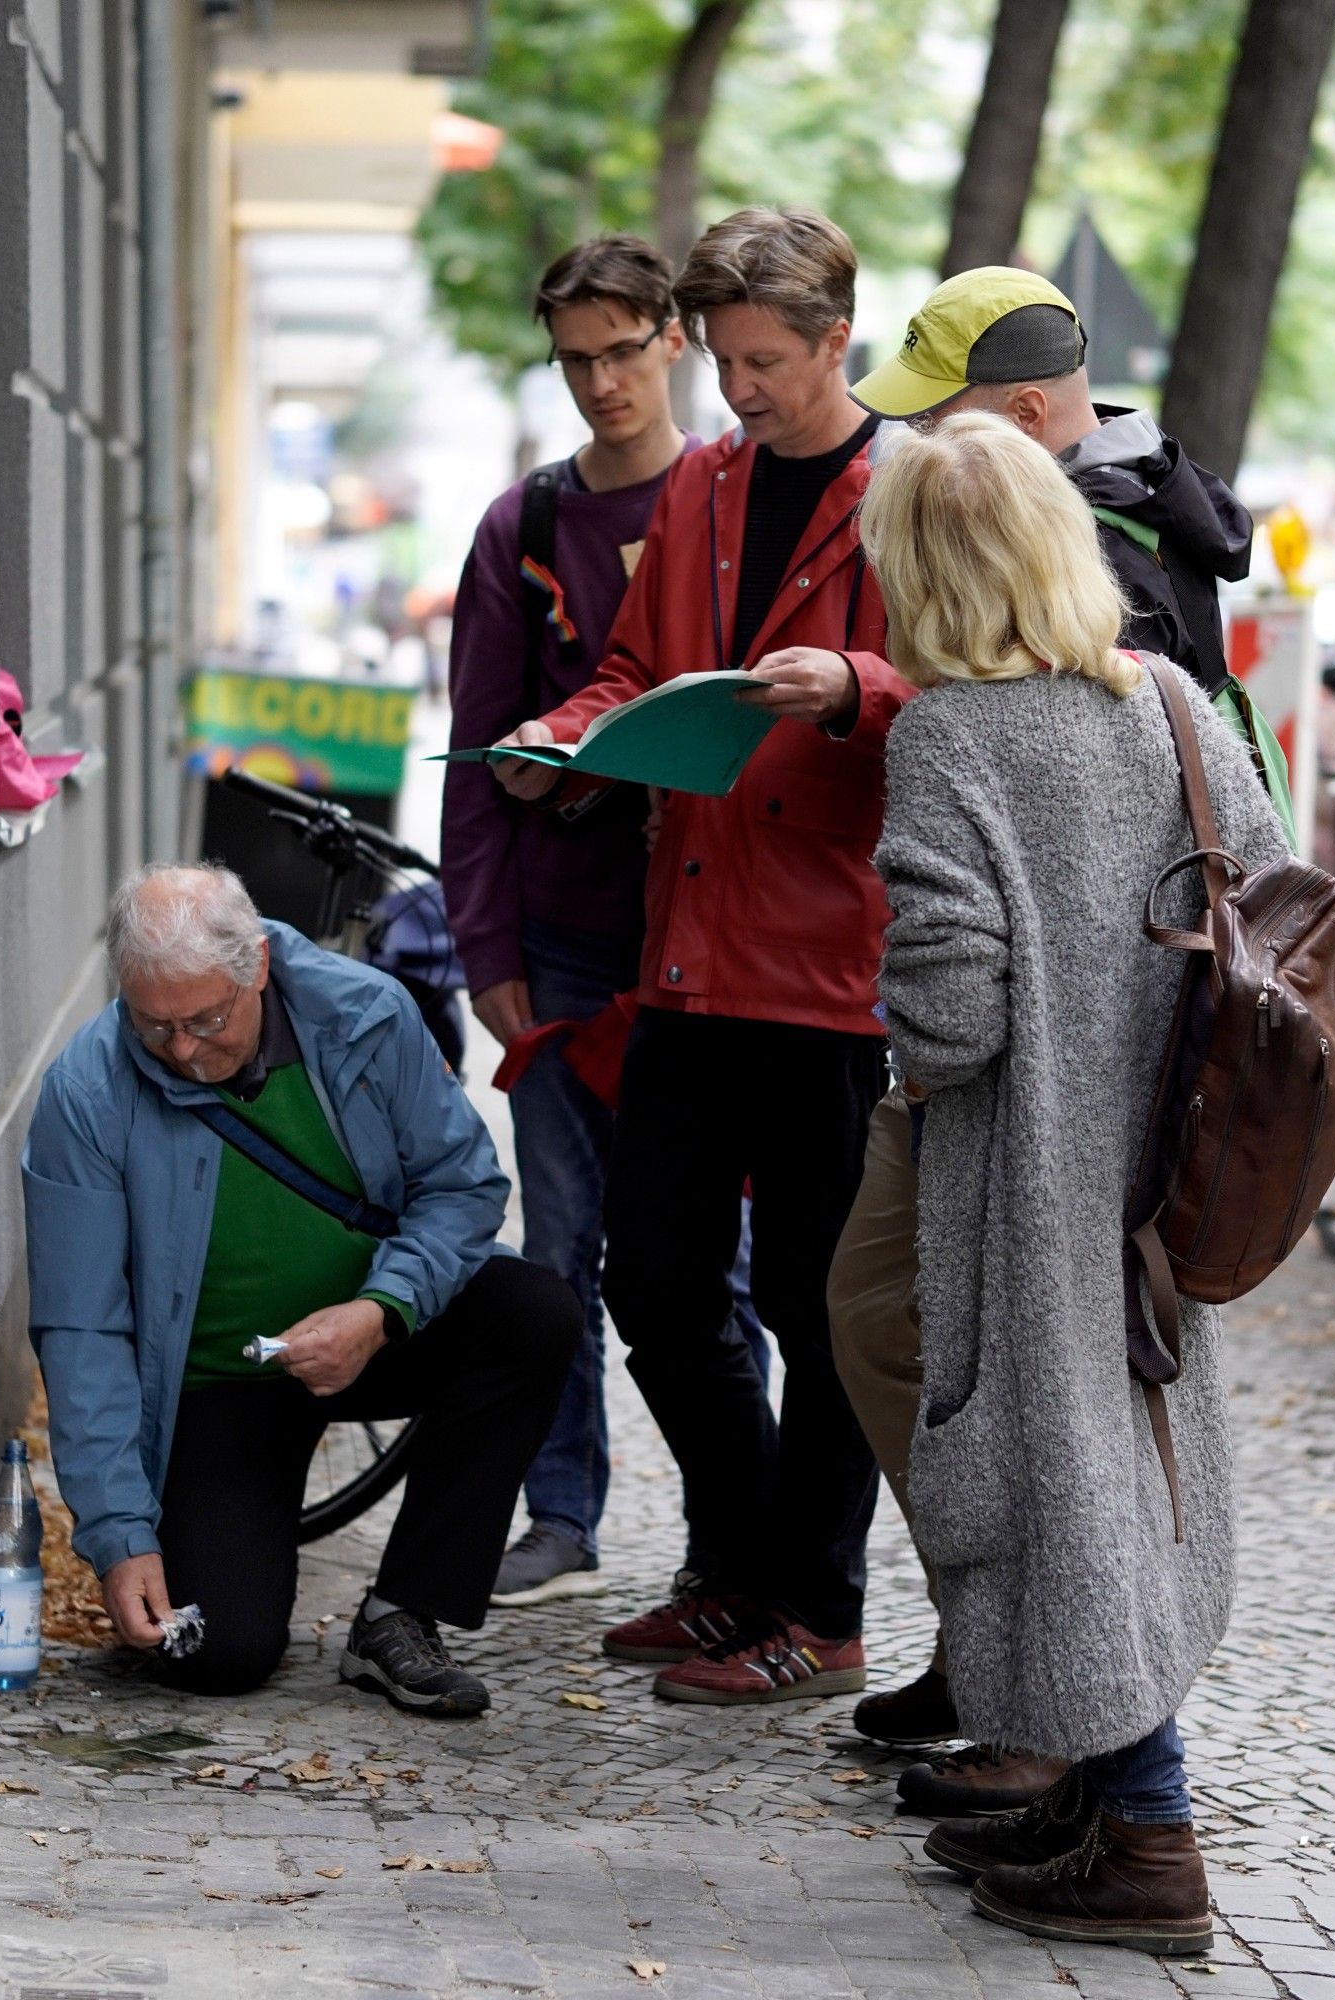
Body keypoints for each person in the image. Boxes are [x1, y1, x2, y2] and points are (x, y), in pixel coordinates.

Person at [830, 265, 1283, 1816]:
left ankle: (1141, 1822)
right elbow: (1273, 896)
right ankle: (1107, 1800)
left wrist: (911, 1020)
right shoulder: (1172, 702)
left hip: (1027, 1190)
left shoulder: (956, 735)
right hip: (1172, 1173)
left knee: (1046, 1467)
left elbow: (951, 1021)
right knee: (1128, 1460)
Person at [493, 207, 913, 1705]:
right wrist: (563, 737)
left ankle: (821, 1609)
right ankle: (740, 1568)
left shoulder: (911, 487)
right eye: (724, 361)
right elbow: (631, 666)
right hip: (687, 957)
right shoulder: (708, 487)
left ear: (834, 340)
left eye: (765, 363)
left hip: (833, 972)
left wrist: (858, 683)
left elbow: (988, 685)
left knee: (816, 1311)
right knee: (657, 1286)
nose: (738, 392)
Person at [23, 864, 579, 1718]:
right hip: (215, 1382)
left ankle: (401, 1613)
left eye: (206, 1020)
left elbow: (464, 1188)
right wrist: (119, 1536)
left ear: (259, 967)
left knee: (533, 1313)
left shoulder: (367, 1014)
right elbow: (81, 1329)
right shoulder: (85, 1093)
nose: (181, 1050)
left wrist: (380, 1310)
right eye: (154, 1024)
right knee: (219, 1654)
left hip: (368, 1336)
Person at [442, 234, 768, 1611]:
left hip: (716, 947)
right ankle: (562, 1508)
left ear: (675, 342)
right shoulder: (524, 527)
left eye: (623, 351)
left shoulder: (743, 504)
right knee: (557, 1245)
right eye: (574, 359)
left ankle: (730, 1541)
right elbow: (475, 757)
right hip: (571, 943)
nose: (599, 384)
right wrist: (488, 951)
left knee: (713, 1268)